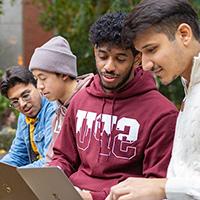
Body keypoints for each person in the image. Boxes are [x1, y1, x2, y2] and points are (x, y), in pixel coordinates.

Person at [49, 12, 178, 200]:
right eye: (103, 56)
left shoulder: (162, 114)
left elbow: (154, 183)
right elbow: (63, 156)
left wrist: (93, 196)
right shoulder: (80, 99)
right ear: (95, 51)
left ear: (137, 58)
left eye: (120, 58)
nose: (109, 66)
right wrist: (51, 181)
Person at [106, 0, 200, 200]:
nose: (146, 65)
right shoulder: (190, 87)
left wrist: (162, 188)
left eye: (152, 49)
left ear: (184, 34)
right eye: (141, 53)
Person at [29, 36, 93, 164]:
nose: (39, 86)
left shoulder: (91, 105)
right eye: (36, 79)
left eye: (43, 78)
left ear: (64, 73)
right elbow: (52, 158)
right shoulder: (58, 108)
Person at [0, 66, 56, 167]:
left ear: (38, 86)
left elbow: (50, 161)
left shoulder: (53, 109)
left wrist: (17, 175)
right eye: (15, 102)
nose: (22, 104)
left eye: (25, 96)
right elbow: (17, 156)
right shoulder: (24, 116)